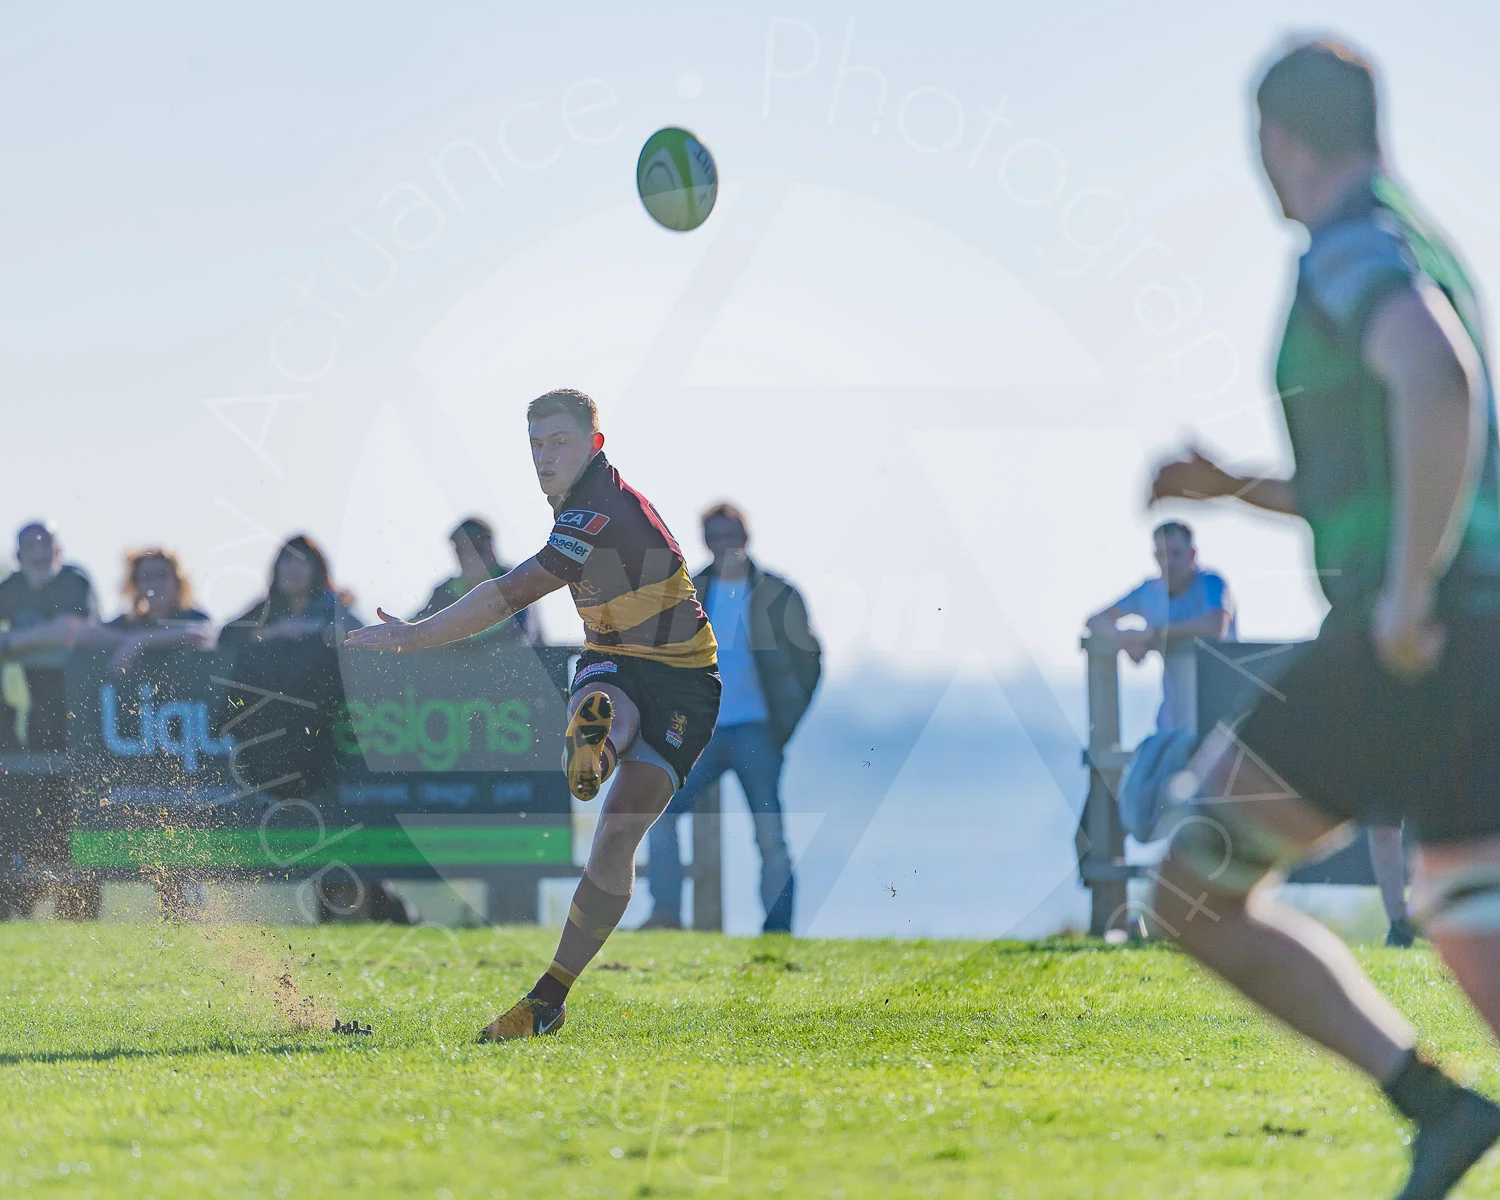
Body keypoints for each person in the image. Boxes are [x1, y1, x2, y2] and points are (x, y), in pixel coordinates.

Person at [1148, 41, 1500, 1198]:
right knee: (1471, 921)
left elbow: (1437, 384)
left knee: (1193, 891)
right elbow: (1393, 456)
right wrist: (1236, 488)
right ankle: (1443, 1114)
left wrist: (1405, 592)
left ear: (1274, 142)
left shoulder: (1350, 246)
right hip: (1471, 633)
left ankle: (1434, 1107)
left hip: (1417, 637)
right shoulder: (1415, 232)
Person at [345, 388, 720, 1041]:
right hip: (615, 659)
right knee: (605, 705)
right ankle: (594, 748)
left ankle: (551, 995)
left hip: (686, 684)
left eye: (559, 443)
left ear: (593, 446)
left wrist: (413, 636)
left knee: (615, 837)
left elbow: (510, 593)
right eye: (535, 445)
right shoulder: (585, 502)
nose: (545, 457)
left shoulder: (596, 512)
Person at [642, 503, 821, 933]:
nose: (725, 545)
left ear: (746, 536)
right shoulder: (689, 591)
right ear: (705, 541)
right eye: (716, 537)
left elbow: (810, 663)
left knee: (769, 835)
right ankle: (666, 915)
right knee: (658, 815)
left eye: (732, 536)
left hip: (758, 733)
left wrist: (783, 728)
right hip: (702, 734)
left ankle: (778, 930)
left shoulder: (778, 594)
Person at [0, 522, 98, 920]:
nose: (40, 552)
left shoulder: (75, 581)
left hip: (71, 716)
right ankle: (17, 900)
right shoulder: (8, 589)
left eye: (47, 544)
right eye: (30, 546)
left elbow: (75, 631)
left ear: (60, 550)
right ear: (17, 554)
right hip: (19, 723)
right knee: (19, 811)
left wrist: (14, 643)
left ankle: (76, 905)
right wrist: (43, 638)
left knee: (67, 811)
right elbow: (54, 633)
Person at [217, 535, 361, 802]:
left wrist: (316, 633)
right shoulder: (265, 610)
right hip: (267, 730)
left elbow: (357, 634)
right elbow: (227, 637)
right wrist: (274, 633)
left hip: (320, 728)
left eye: (302, 562)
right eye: (287, 561)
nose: (293, 569)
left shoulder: (333, 608)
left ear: (317, 569)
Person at [1085, 520, 1237, 735]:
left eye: (1176, 554)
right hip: (1172, 723)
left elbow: (1215, 626)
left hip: (1218, 721)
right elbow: (1096, 620)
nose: (1169, 563)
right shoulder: (1149, 591)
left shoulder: (1211, 583)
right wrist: (1123, 638)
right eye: (1162, 555)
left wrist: (1153, 635)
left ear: (1192, 555)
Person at [414, 517, 538, 643]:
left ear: (489, 550)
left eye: (473, 549)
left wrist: (451, 633)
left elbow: (518, 631)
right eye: (459, 550)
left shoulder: (513, 581)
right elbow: (418, 625)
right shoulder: (446, 590)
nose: (464, 557)